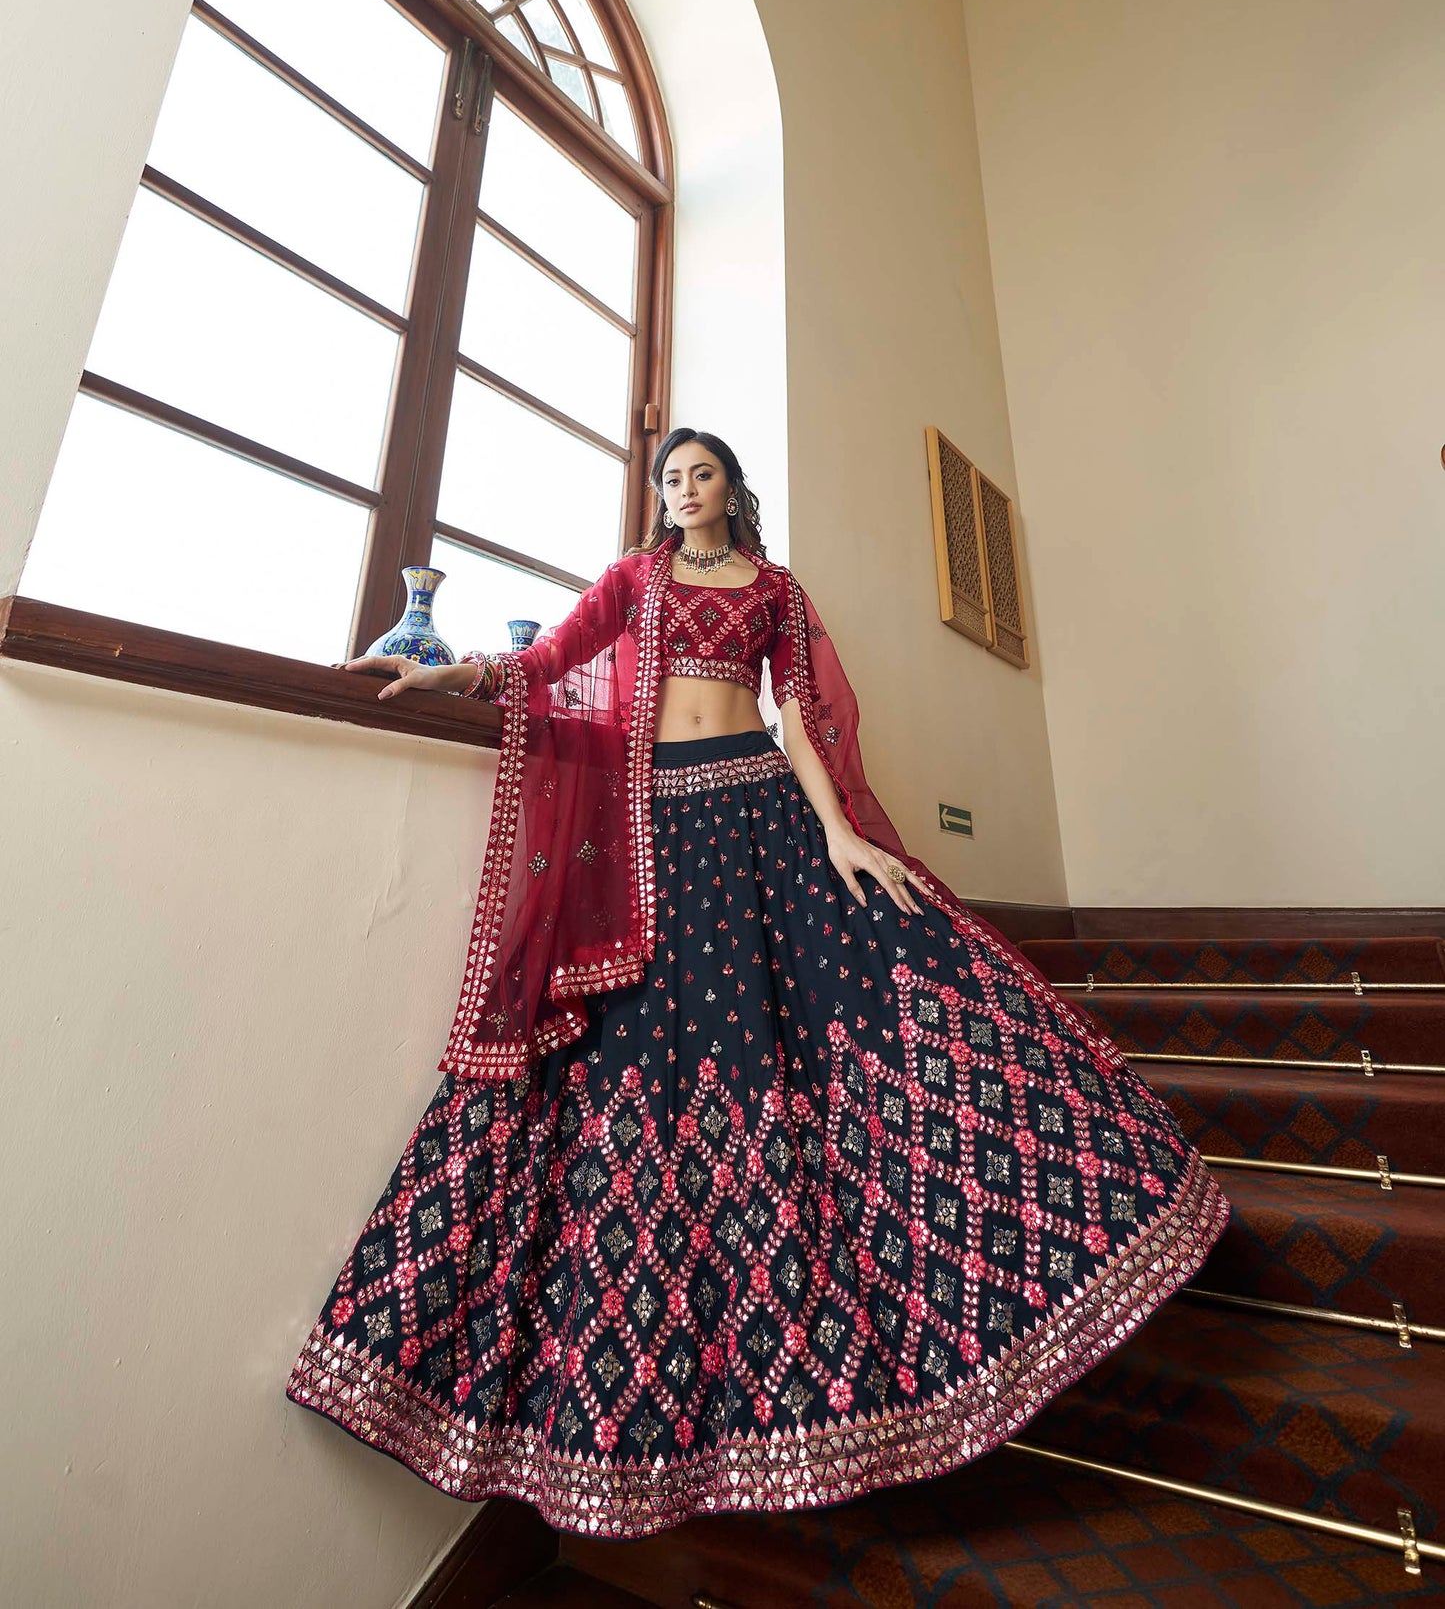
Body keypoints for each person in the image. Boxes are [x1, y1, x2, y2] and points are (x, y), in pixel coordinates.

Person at [286, 428, 1227, 1537]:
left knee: (871, 987)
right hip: (658, 837)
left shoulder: (773, 588)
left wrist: (839, 838)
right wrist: (453, 670)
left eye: (700, 474)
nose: (683, 492)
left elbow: (801, 721)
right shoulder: (631, 579)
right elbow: (550, 663)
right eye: (669, 480)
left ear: (731, 487)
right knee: (654, 1058)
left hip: (762, 809)